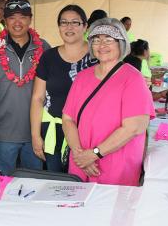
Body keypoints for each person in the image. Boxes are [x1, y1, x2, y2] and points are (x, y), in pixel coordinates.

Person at [62, 18, 155, 186]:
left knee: (111, 209)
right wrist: (80, 154)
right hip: (81, 163)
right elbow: (68, 119)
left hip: (115, 166)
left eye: (108, 39)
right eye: (96, 40)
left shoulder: (133, 79)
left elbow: (134, 127)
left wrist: (94, 154)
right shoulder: (82, 77)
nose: (101, 45)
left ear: (121, 43)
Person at [0, 0, 51, 175]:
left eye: (23, 16)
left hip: (35, 134)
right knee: (2, 185)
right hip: (3, 133)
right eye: (12, 17)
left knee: (33, 184)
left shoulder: (44, 48)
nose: (17, 22)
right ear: (4, 20)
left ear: (30, 19)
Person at [30, 5, 97, 172]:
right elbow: (38, 98)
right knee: (56, 184)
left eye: (75, 22)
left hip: (87, 132)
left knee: (85, 182)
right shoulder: (49, 57)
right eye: (64, 22)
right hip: (54, 130)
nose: (69, 27)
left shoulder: (97, 56)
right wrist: (35, 135)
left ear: (85, 26)